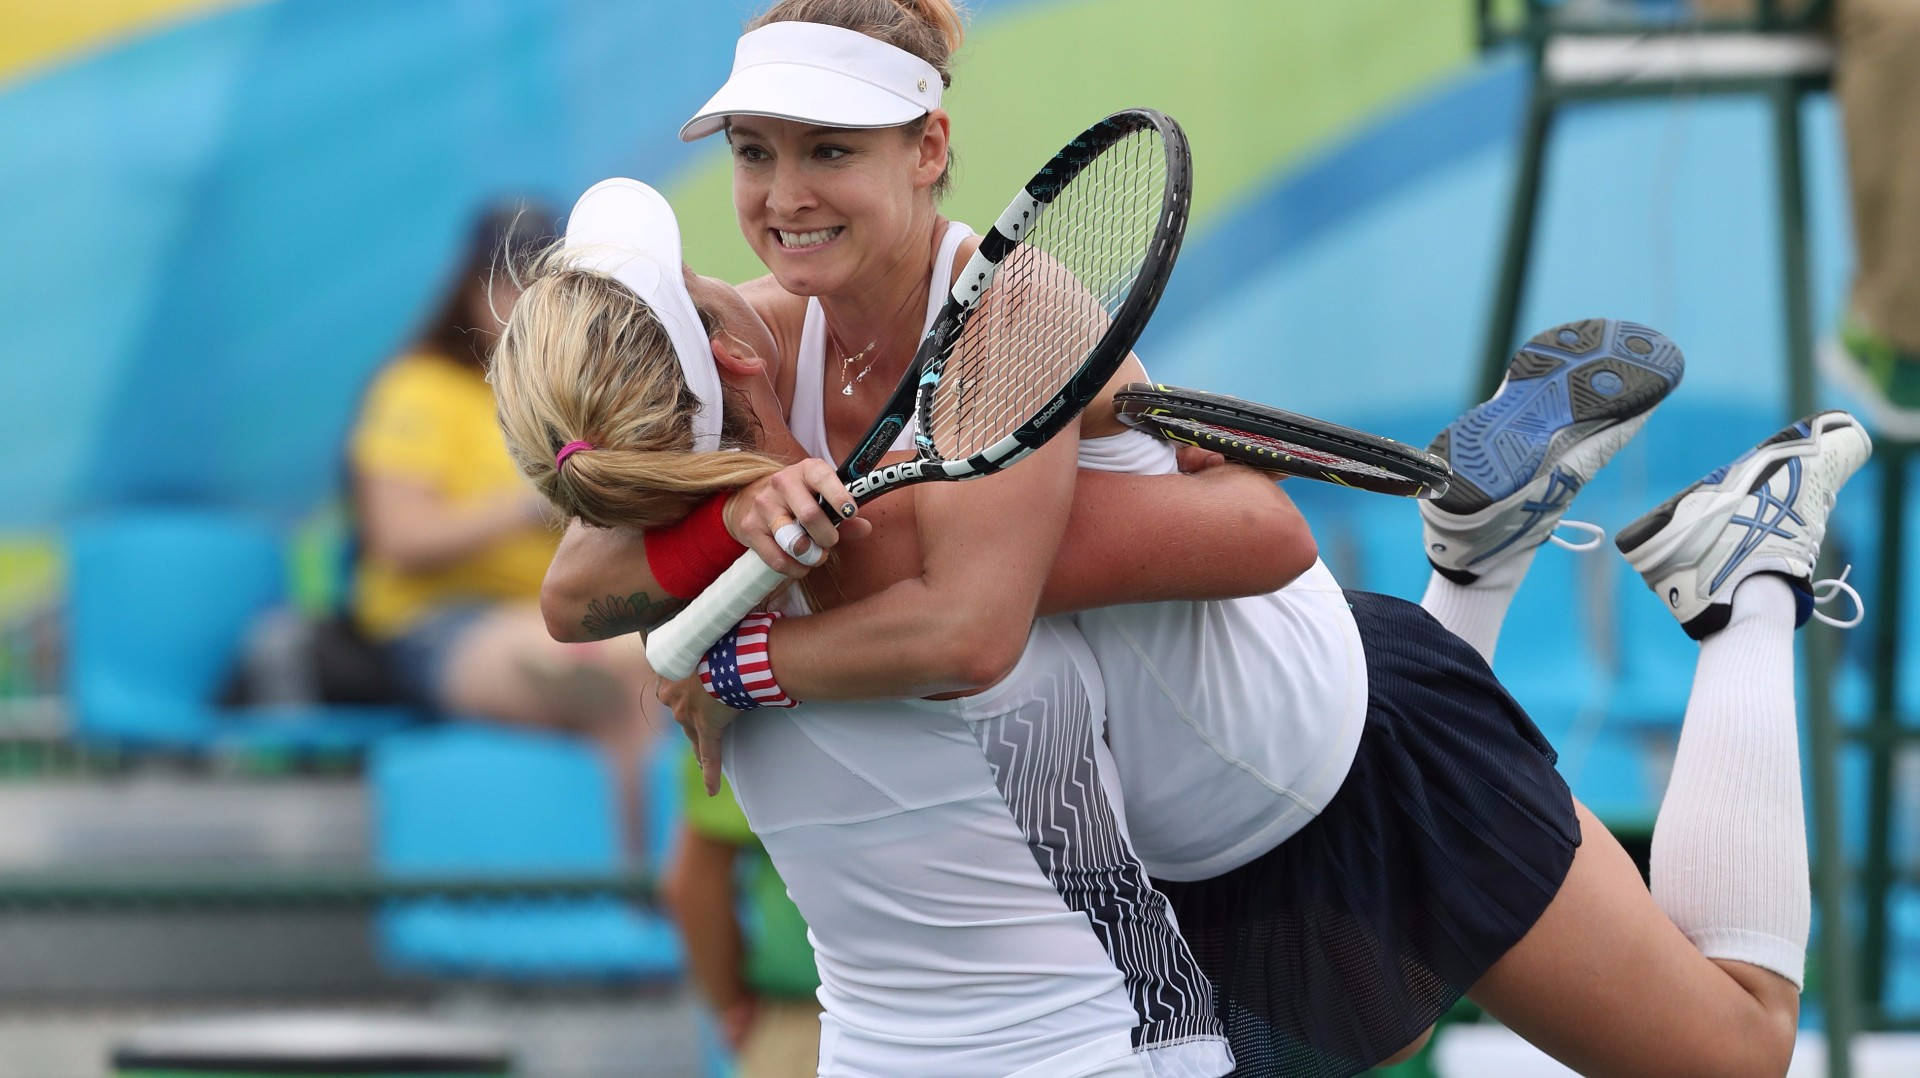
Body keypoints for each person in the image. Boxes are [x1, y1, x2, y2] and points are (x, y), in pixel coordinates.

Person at [524, 4, 1874, 1074]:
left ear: (929, 149)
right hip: (1172, 835)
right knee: (1390, 1028)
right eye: (755, 152)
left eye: (831, 150)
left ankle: (1743, 572)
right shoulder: (754, 335)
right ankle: (1470, 554)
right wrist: (718, 536)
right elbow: (578, 585)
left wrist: (733, 652)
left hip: (1335, 750)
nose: (783, 194)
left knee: (1732, 1050)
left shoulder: (1015, 319)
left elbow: (973, 626)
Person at [498, 175, 1247, 1077]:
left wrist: (730, 657)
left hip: (934, 1052)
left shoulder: (678, 603)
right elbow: (1268, 535)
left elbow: (568, 598)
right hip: (1097, 1041)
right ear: (731, 354)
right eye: (692, 282)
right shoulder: (917, 529)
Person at [347, 204, 662, 855]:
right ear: (468, 286)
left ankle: (670, 894)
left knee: (682, 662)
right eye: (506, 280)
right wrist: (529, 505)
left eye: (539, 281)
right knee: (616, 684)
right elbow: (399, 540)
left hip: (564, 611)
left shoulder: (574, 393)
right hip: (437, 626)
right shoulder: (419, 389)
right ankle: (644, 897)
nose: (520, 300)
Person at [662, 747, 822, 1078]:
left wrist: (732, 1005)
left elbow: (694, 885)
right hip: (811, 1018)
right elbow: (695, 886)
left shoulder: (745, 706)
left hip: (803, 1026)